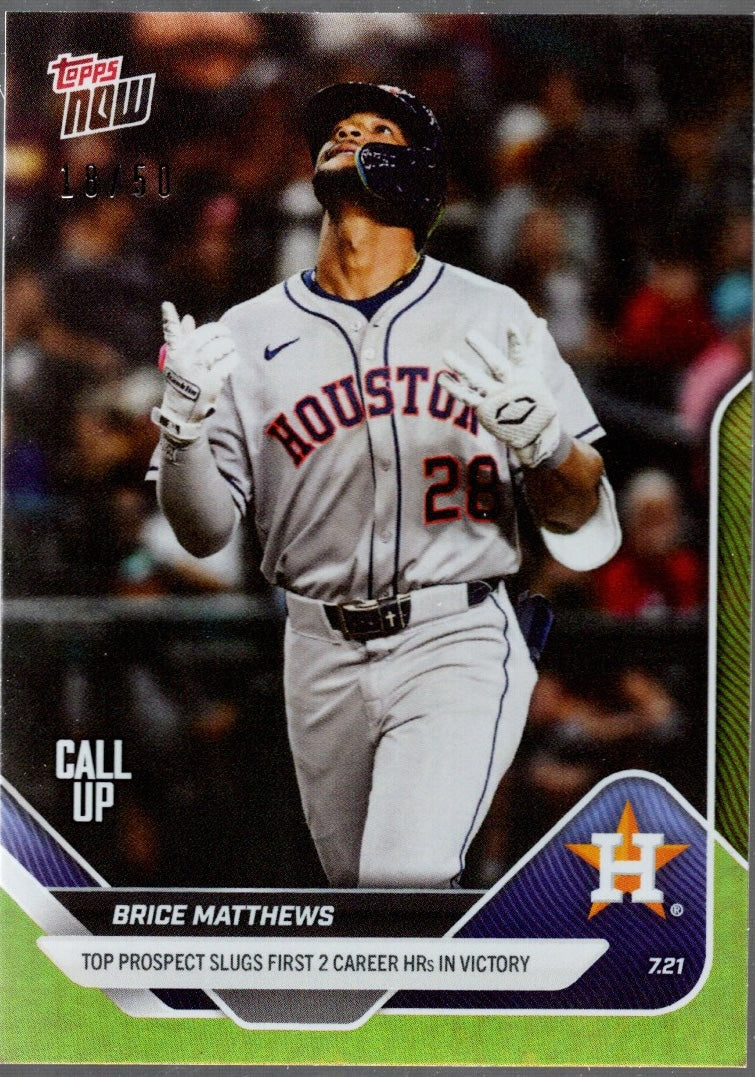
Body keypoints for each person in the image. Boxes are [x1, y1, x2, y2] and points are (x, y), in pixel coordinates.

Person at [147, 83, 620, 888]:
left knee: (400, 879)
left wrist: (545, 442)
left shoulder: (490, 312)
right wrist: (182, 431)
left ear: (420, 176)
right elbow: (202, 529)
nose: (348, 133)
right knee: (365, 912)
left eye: (377, 131)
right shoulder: (247, 330)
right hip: (316, 646)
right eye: (339, 127)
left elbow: (584, 515)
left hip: (453, 630)